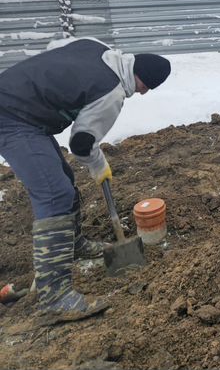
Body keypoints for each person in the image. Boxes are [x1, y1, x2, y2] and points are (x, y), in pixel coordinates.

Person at [0, 38, 171, 322]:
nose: (142, 93)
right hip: (12, 117)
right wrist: (99, 164)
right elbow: (81, 143)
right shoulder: (112, 93)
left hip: (20, 103)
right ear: (141, 78)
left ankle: (74, 245)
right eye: (146, 87)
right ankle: (54, 297)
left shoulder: (97, 47)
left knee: (64, 180)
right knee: (54, 194)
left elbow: (58, 49)